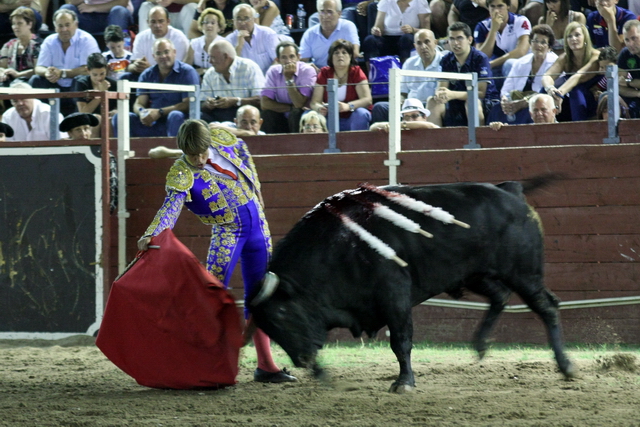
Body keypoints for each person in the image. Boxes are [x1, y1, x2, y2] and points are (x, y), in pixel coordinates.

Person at [138, 121, 298, 384]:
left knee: (261, 297)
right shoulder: (181, 173)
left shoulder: (222, 139)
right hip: (228, 233)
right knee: (211, 295)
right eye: (192, 156)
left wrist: (257, 190)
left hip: (259, 227)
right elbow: (171, 206)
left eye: (202, 153)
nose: (199, 160)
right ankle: (205, 365)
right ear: (182, 151)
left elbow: (244, 149)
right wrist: (152, 233)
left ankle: (266, 366)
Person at [112, 38, 200, 137]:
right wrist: (142, 112)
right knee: (120, 117)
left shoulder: (187, 72)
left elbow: (188, 104)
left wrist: (160, 112)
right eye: (158, 53)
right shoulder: (147, 74)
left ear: (174, 52)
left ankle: (175, 152)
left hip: (175, 121)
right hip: (152, 122)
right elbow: (139, 103)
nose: (163, 56)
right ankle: (124, 152)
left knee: (175, 115)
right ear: (154, 57)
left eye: (166, 52)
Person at [426, 22, 499, 127]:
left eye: (459, 38)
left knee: (472, 102)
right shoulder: (446, 59)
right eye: (452, 39)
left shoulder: (480, 58)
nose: (455, 43)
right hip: (455, 102)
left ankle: (478, 139)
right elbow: (442, 87)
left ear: (470, 40)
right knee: (432, 101)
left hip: (484, 104)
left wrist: (452, 94)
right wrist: (440, 94)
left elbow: (480, 93)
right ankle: (435, 142)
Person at [29, 9, 100, 115]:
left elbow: (88, 70)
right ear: (55, 27)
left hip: (77, 87)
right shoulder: (49, 41)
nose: (64, 29)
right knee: (36, 80)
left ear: (76, 24)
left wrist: (63, 73)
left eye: (67, 25)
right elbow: (39, 68)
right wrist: (48, 72)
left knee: (82, 80)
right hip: (55, 85)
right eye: (60, 26)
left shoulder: (87, 40)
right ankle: (41, 117)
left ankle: (79, 120)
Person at [487, 23, 558, 125]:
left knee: (530, 111)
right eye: (535, 41)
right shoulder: (520, 62)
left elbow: (544, 93)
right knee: (497, 109)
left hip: (537, 104)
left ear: (550, 47)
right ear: (530, 43)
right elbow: (507, 88)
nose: (538, 45)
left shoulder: (555, 62)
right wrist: (505, 100)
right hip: (516, 102)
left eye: (543, 42)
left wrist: (522, 103)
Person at [370, 29, 443, 124]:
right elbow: (402, 92)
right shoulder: (409, 63)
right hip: (408, 106)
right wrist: (400, 101)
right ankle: (385, 139)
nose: (423, 46)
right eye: (419, 43)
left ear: (435, 43)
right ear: (414, 46)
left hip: (429, 105)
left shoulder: (444, 61)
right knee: (380, 108)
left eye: (427, 42)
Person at [541, 22, 601, 121]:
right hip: (572, 94)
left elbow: (578, 77)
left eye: (577, 35)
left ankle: (580, 130)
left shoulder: (595, 56)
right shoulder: (565, 57)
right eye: (569, 36)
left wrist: (559, 93)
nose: (573, 39)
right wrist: (550, 89)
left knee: (575, 91)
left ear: (585, 37)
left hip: (592, 95)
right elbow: (547, 76)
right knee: (543, 92)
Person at [310, 39, 373, 131]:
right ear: (331, 57)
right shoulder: (324, 73)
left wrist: (348, 106)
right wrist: (319, 108)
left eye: (344, 52)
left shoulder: (356, 72)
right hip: (329, 117)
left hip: (352, 116)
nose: (340, 55)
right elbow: (314, 102)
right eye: (336, 53)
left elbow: (367, 100)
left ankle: (359, 144)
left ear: (350, 56)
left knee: (361, 113)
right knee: (310, 114)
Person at [200, 39, 265, 123]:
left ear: (226, 57)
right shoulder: (210, 73)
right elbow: (202, 104)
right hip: (218, 115)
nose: (210, 61)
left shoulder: (249, 67)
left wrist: (236, 101)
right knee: (200, 117)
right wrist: (208, 104)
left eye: (213, 57)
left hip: (245, 115)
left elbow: (260, 100)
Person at [260, 41, 318, 134]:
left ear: (298, 57)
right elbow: (265, 103)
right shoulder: (273, 71)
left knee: (296, 113)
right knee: (266, 114)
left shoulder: (307, 71)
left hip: (302, 114)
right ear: (278, 60)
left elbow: (299, 104)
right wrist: (290, 108)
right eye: (284, 57)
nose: (288, 61)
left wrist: (288, 78)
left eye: (292, 56)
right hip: (282, 114)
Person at [474, 0, 532, 89]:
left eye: (500, 6)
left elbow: (521, 52)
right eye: (492, 6)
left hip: (525, 63)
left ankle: (512, 97)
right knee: (482, 69)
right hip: (499, 62)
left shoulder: (521, 21)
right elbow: (481, 57)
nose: (496, 10)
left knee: (509, 64)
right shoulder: (482, 26)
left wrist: (492, 63)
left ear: (508, 6)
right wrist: (493, 30)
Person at [127, 6, 190, 77]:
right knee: (126, 76)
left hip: (173, 77)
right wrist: (137, 66)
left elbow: (178, 69)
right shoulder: (141, 37)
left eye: (161, 21)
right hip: (147, 76)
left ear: (168, 21)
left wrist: (150, 69)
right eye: (153, 22)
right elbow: (132, 64)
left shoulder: (179, 38)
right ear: (148, 22)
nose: (157, 25)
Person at [362, 0, 431, 63]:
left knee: (406, 38)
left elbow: (427, 31)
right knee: (370, 40)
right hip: (387, 39)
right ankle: (372, 74)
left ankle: (406, 72)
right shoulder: (386, 1)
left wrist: (413, 30)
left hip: (408, 38)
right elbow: (378, 26)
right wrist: (376, 30)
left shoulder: (420, 2)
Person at [300, 0, 361, 70]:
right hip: (320, 74)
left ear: (339, 14)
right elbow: (302, 60)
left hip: (343, 72)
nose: (325, 16)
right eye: (322, 12)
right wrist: (308, 66)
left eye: (329, 12)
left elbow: (355, 53)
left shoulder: (348, 27)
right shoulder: (310, 33)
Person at [224, 3, 280, 74]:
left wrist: (268, 79)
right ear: (233, 21)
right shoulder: (229, 40)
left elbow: (278, 60)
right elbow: (229, 68)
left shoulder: (267, 34)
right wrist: (239, 46)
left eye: (246, 18)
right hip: (244, 81)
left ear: (254, 19)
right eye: (239, 19)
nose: (243, 23)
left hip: (268, 79)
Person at [1, 81, 67, 140]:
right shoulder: (7, 116)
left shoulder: (49, 113)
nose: (20, 103)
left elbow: (62, 141)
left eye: (23, 99)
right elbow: (6, 144)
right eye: (15, 101)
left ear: (32, 96)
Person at [72, 53, 118, 137]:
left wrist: (115, 111)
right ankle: (92, 149)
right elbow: (83, 112)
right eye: (95, 75)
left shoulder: (113, 84)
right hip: (84, 120)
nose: (99, 78)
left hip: (106, 118)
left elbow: (117, 106)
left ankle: (111, 149)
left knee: (110, 120)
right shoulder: (81, 83)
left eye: (102, 74)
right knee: (97, 118)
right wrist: (101, 93)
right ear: (88, 70)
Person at [0, 7, 42, 87]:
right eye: (13, 24)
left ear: (30, 24)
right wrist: (2, 73)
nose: (15, 27)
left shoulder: (38, 44)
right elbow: (2, 66)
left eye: (19, 23)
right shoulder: (9, 45)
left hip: (30, 83)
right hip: (10, 82)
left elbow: (38, 69)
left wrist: (18, 74)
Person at [184, 7, 225, 78]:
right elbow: (186, 67)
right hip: (197, 78)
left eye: (213, 23)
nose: (209, 25)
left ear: (219, 27)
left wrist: (205, 71)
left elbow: (226, 69)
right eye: (206, 22)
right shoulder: (194, 43)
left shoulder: (224, 44)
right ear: (201, 26)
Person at [60, 0, 133, 35]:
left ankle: (112, 57)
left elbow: (122, 2)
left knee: (118, 11)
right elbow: (71, 2)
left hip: (115, 16)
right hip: (90, 17)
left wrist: (94, 7)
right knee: (66, 9)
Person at [489, 92, 558, 129]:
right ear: (530, 114)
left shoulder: (565, 132)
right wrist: (501, 130)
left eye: (543, 110)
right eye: (535, 110)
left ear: (554, 112)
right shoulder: (525, 132)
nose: (539, 113)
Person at [369, 97, 440, 131]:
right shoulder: (400, 128)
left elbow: (430, 126)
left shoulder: (430, 128)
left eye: (414, 116)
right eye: (406, 117)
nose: (410, 120)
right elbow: (373, 127)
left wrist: (400, 125)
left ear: (424, 117)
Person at [617, 19, 640, 117]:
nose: (630, 44)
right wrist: (638, 93)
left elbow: (624, 82)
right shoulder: (625, 54)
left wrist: (628, 82)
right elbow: (619, 86)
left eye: (634, 38)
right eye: (627, 40)